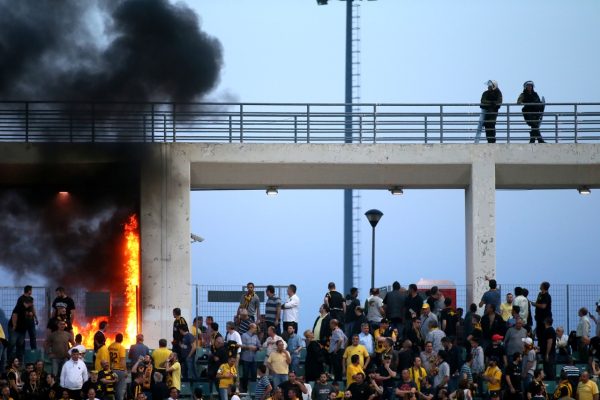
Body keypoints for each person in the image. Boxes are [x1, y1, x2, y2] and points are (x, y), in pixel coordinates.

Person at [240, 322, 260, 392]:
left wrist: (256, 348)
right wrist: (249, 347)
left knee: (254, 374)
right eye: (255, 328)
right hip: (246, 358)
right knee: (245, 375)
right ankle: (244, 389)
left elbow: (259, 346)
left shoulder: (256, 336)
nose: (256, 330)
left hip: (254, 358)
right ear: (251, 328)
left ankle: (253, 390)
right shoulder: (244, 335)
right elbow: (242, 346)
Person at [108, 333, 127, 400]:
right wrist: (125, 371)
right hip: (119, 371)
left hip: (110, 370)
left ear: (115, 338)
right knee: (119, 390)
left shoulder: (110, 346)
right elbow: (122, 360)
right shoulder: (121, 347)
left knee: (110, 390)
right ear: (122, 340)